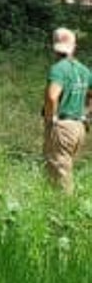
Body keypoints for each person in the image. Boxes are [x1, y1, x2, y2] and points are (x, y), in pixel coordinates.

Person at [42, 27, 92, 193]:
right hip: (78, 127)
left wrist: (51, 120)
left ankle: (64, 210)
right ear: (74, 46)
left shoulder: (58, 69)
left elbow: (51, 96)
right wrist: (86, 114)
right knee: (65, 168)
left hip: (62, 126)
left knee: (59, 175)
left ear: (54, 47)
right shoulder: (84, 70)